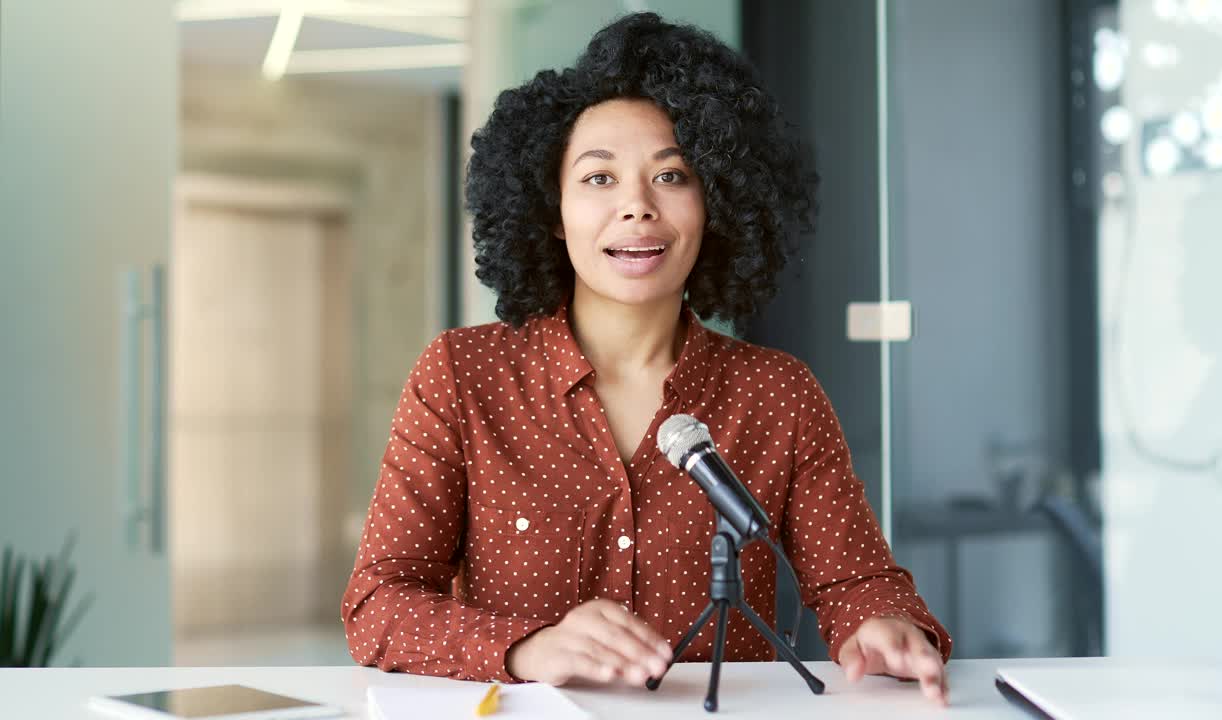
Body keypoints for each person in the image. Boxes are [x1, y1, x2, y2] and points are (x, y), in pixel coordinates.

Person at [341, 11, 952, 706]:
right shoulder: (461, 376)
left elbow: (856, 582)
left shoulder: (777, 393)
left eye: (672, 176)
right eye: (599, 180)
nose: (636, 207)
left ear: (716, 203)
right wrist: (528, 647)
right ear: (552, 210)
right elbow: (378, 606)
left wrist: (881, 624)